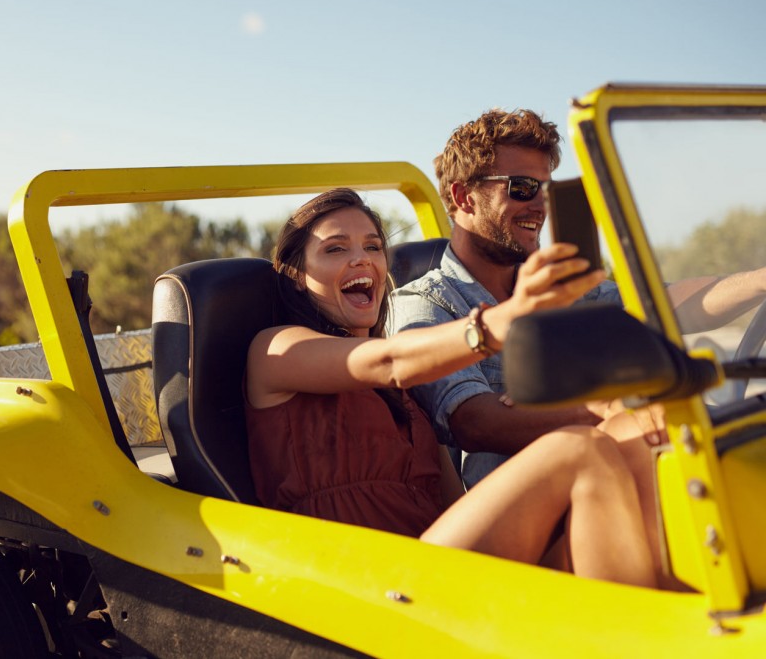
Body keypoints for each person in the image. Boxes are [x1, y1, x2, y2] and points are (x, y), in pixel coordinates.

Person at [244, 187, 658, 588]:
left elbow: (452, 503)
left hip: (436, 566)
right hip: (361, 580)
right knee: (578, 449)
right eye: (336, 248)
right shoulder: (276, 350)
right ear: (297, 276)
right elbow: (390, 362)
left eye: (372, 247)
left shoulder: (404, 396)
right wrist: (508, 317)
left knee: (632, 434)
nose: (361, 260)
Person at [389, 108, 766, 489]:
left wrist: (759, 281)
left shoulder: (557, 284)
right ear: (464, 197)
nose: (539, 205)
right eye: (522, 187)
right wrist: (611, 407)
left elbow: (662, 305)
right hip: (518, 522)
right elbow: (477, 423)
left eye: (546, 190)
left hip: (612, 478)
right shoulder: (425, 303)